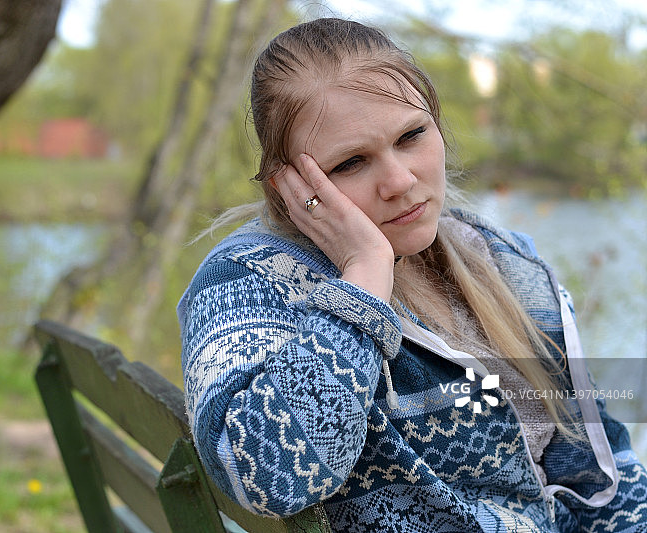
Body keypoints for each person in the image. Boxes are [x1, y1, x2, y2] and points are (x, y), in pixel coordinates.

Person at [176, 17, 647, 532]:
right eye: (351, 163)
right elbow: (267, 475)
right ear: (287, 188)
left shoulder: (503, 260)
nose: (400, 181)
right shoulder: (243, 285)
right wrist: (362, 284)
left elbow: (600, 472)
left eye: (412, 135)